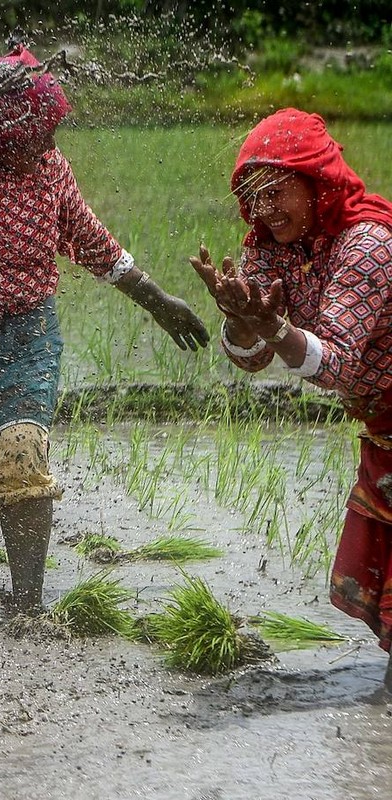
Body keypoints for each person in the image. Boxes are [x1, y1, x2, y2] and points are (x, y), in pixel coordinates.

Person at [0, 47, 209, 612]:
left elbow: (89, 238)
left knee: (20, 455)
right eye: (40, 132)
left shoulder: (47, 167)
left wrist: (157, 300)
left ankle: (27, 608)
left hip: (25, 340)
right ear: (3, 131)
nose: (51, 144)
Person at [189, 108, 392, 694]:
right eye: (253, 198)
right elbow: (248, 358)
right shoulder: (270, 248)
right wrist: (241, 320)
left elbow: (338, 363)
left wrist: (272, 328)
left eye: (278, 194)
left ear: (317, 185)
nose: (265, 210)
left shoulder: (367, 242)